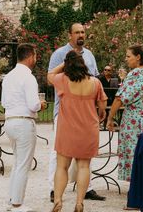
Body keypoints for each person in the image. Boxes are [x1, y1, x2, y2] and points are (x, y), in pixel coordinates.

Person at [47, 23, 104, 202]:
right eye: (77, 32)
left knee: (83, 157)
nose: (81, 35)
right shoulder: (58, 54)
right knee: (58, 155)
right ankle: (53, 189)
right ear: (70, 35)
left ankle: (87, 189)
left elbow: (94, 77)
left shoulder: (90, 55)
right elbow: (51, 78)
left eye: (83, 32)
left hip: (85, 112)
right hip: (64, 111)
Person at [2, 43, 47, 212]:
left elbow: (4, 102)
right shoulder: (29, 77)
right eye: (35, 56)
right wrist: (41, 104)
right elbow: (33, 104)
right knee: (23, 164)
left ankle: (12, 198)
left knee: (17, 162)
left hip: (10, 120)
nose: (35, 59)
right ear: (30, 57)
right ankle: (17, 203)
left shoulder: (8, 76)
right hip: (23, 122)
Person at [106, 45, 143, 183]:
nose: (126, 59)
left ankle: (137, 187)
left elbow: (120, 98)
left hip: (135, 121)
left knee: (134, 152)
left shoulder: (135, 74)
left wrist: (110, 118)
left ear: (138, 57)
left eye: (128, 56)